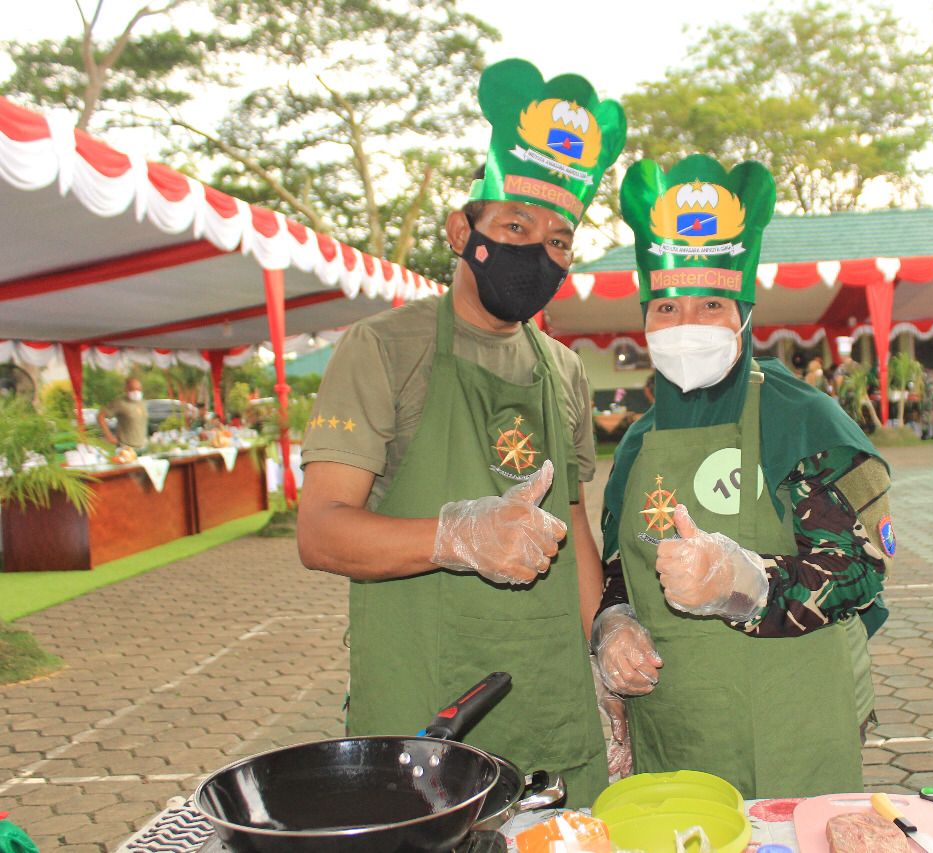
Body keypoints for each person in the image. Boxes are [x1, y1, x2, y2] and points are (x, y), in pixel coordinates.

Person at [296, 58, 626, 807]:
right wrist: (454, 536)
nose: (537, 253)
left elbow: (573, 529)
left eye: (558, 240)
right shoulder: (383, 348)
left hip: (551, 707)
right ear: (461, 229)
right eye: (515, 226)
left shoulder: (564, 371)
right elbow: (320, 533)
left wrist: (605, 640)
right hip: (427, 717)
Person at [591, 154, 894, 799]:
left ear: (744, 313)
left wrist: (748, 584)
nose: (686, 327)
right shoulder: (638, 443)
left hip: (795, 719)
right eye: (667, 309)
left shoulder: (800, 417)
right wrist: (612, 622)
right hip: (676, 727)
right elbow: (620, 565)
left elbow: (862, 567)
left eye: (710, 305)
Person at [97, 377, 148, 450]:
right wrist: (109, 436)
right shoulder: (120, 402)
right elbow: (100, 416)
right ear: (126, 389)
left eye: (139, 389)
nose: (136, 392)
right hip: (125, 447)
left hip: (142, 446)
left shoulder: (142, 402)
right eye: (133, 389)